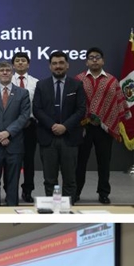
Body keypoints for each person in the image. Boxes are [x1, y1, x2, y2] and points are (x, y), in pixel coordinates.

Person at [75, 47, 130, 204]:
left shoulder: (112, 81)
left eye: (97, 57)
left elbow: (118, 102)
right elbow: (75, 104)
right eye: (91, 57)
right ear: (86, 61)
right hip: (84, 127)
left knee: (104, 163)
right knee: (80, 162)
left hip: (105, 127)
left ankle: (104, 193)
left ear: (102, 60)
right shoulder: (79, 80)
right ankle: (76, 192)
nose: (94, 60)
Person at [33, 51, 87, 200]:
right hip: (48, 138)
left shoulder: (76, 85)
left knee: (70, 179)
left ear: (67, 65)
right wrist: (52, 126)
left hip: (70, 138)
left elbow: (81, 109)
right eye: (55, 63)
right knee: (50, 180)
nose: (58, 66)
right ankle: (52, 208)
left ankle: (68, 209)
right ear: (50, 66)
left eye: (61, 63)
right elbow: (37, 109)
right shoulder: (41, 85)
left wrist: (65, 126)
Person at [0, 61, 31, 206]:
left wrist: (8, 133)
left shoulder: (22, 93)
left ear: (12, 73)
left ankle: (12, 208)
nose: (4, 72)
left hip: (14, 144)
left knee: (12, 181)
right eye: (1, 70)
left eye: (7, 70)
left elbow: (24, 116)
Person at [11, 52, 40, 203]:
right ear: (13, 64)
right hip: (12, 128)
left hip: (30, 126)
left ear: (28, 64)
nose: (20, 63)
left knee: (28, 161)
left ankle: (27, 191)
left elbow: (39, 106)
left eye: (23, 61)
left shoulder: (36, 82)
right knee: (12, 161)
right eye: (17, 61)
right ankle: (11, 191)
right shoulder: (7, 82)